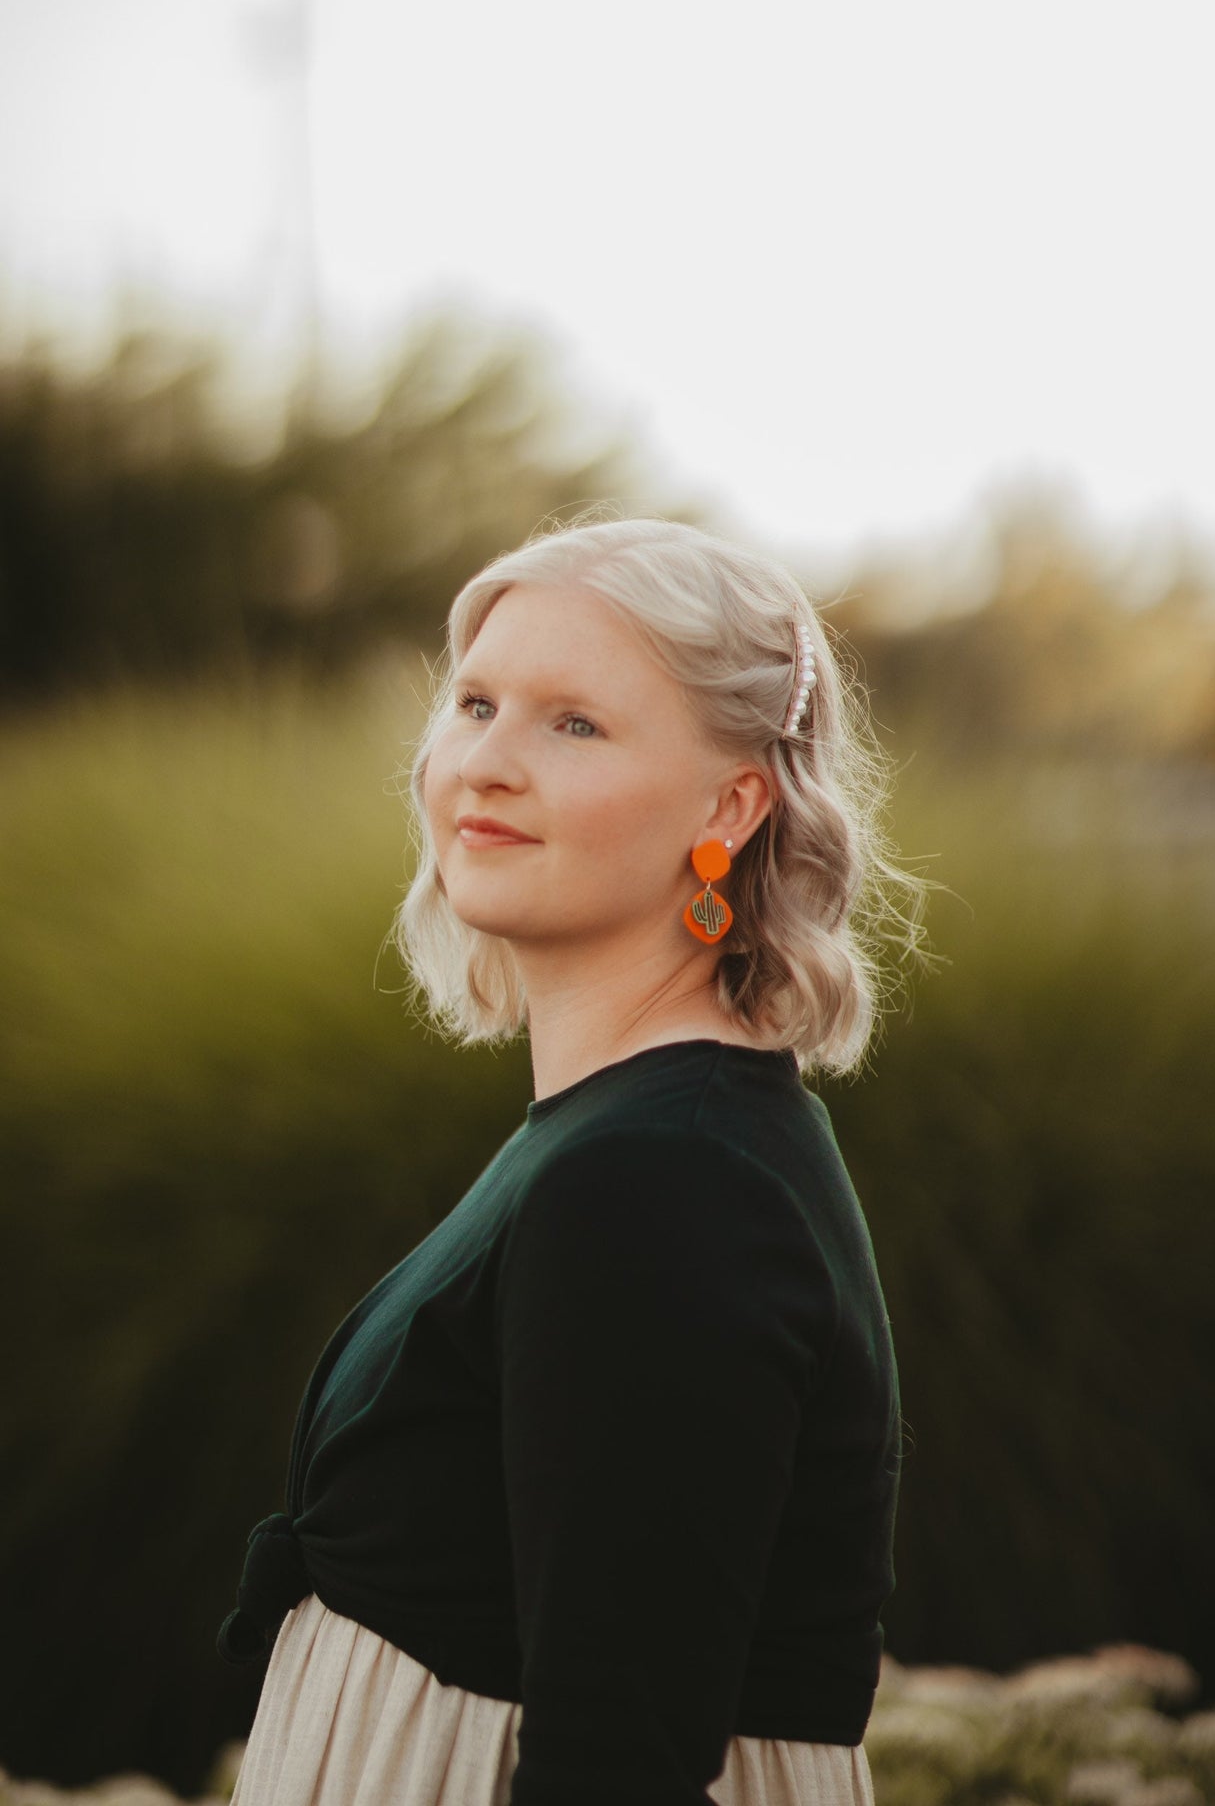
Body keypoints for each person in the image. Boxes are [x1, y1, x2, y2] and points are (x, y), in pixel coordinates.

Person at [217, 510, 933, 1806]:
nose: (483, 763)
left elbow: (619, 1762)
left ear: (730, 804)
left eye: (573, 723)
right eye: (475, 703)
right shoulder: (627, 1139)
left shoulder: (664, 1187)